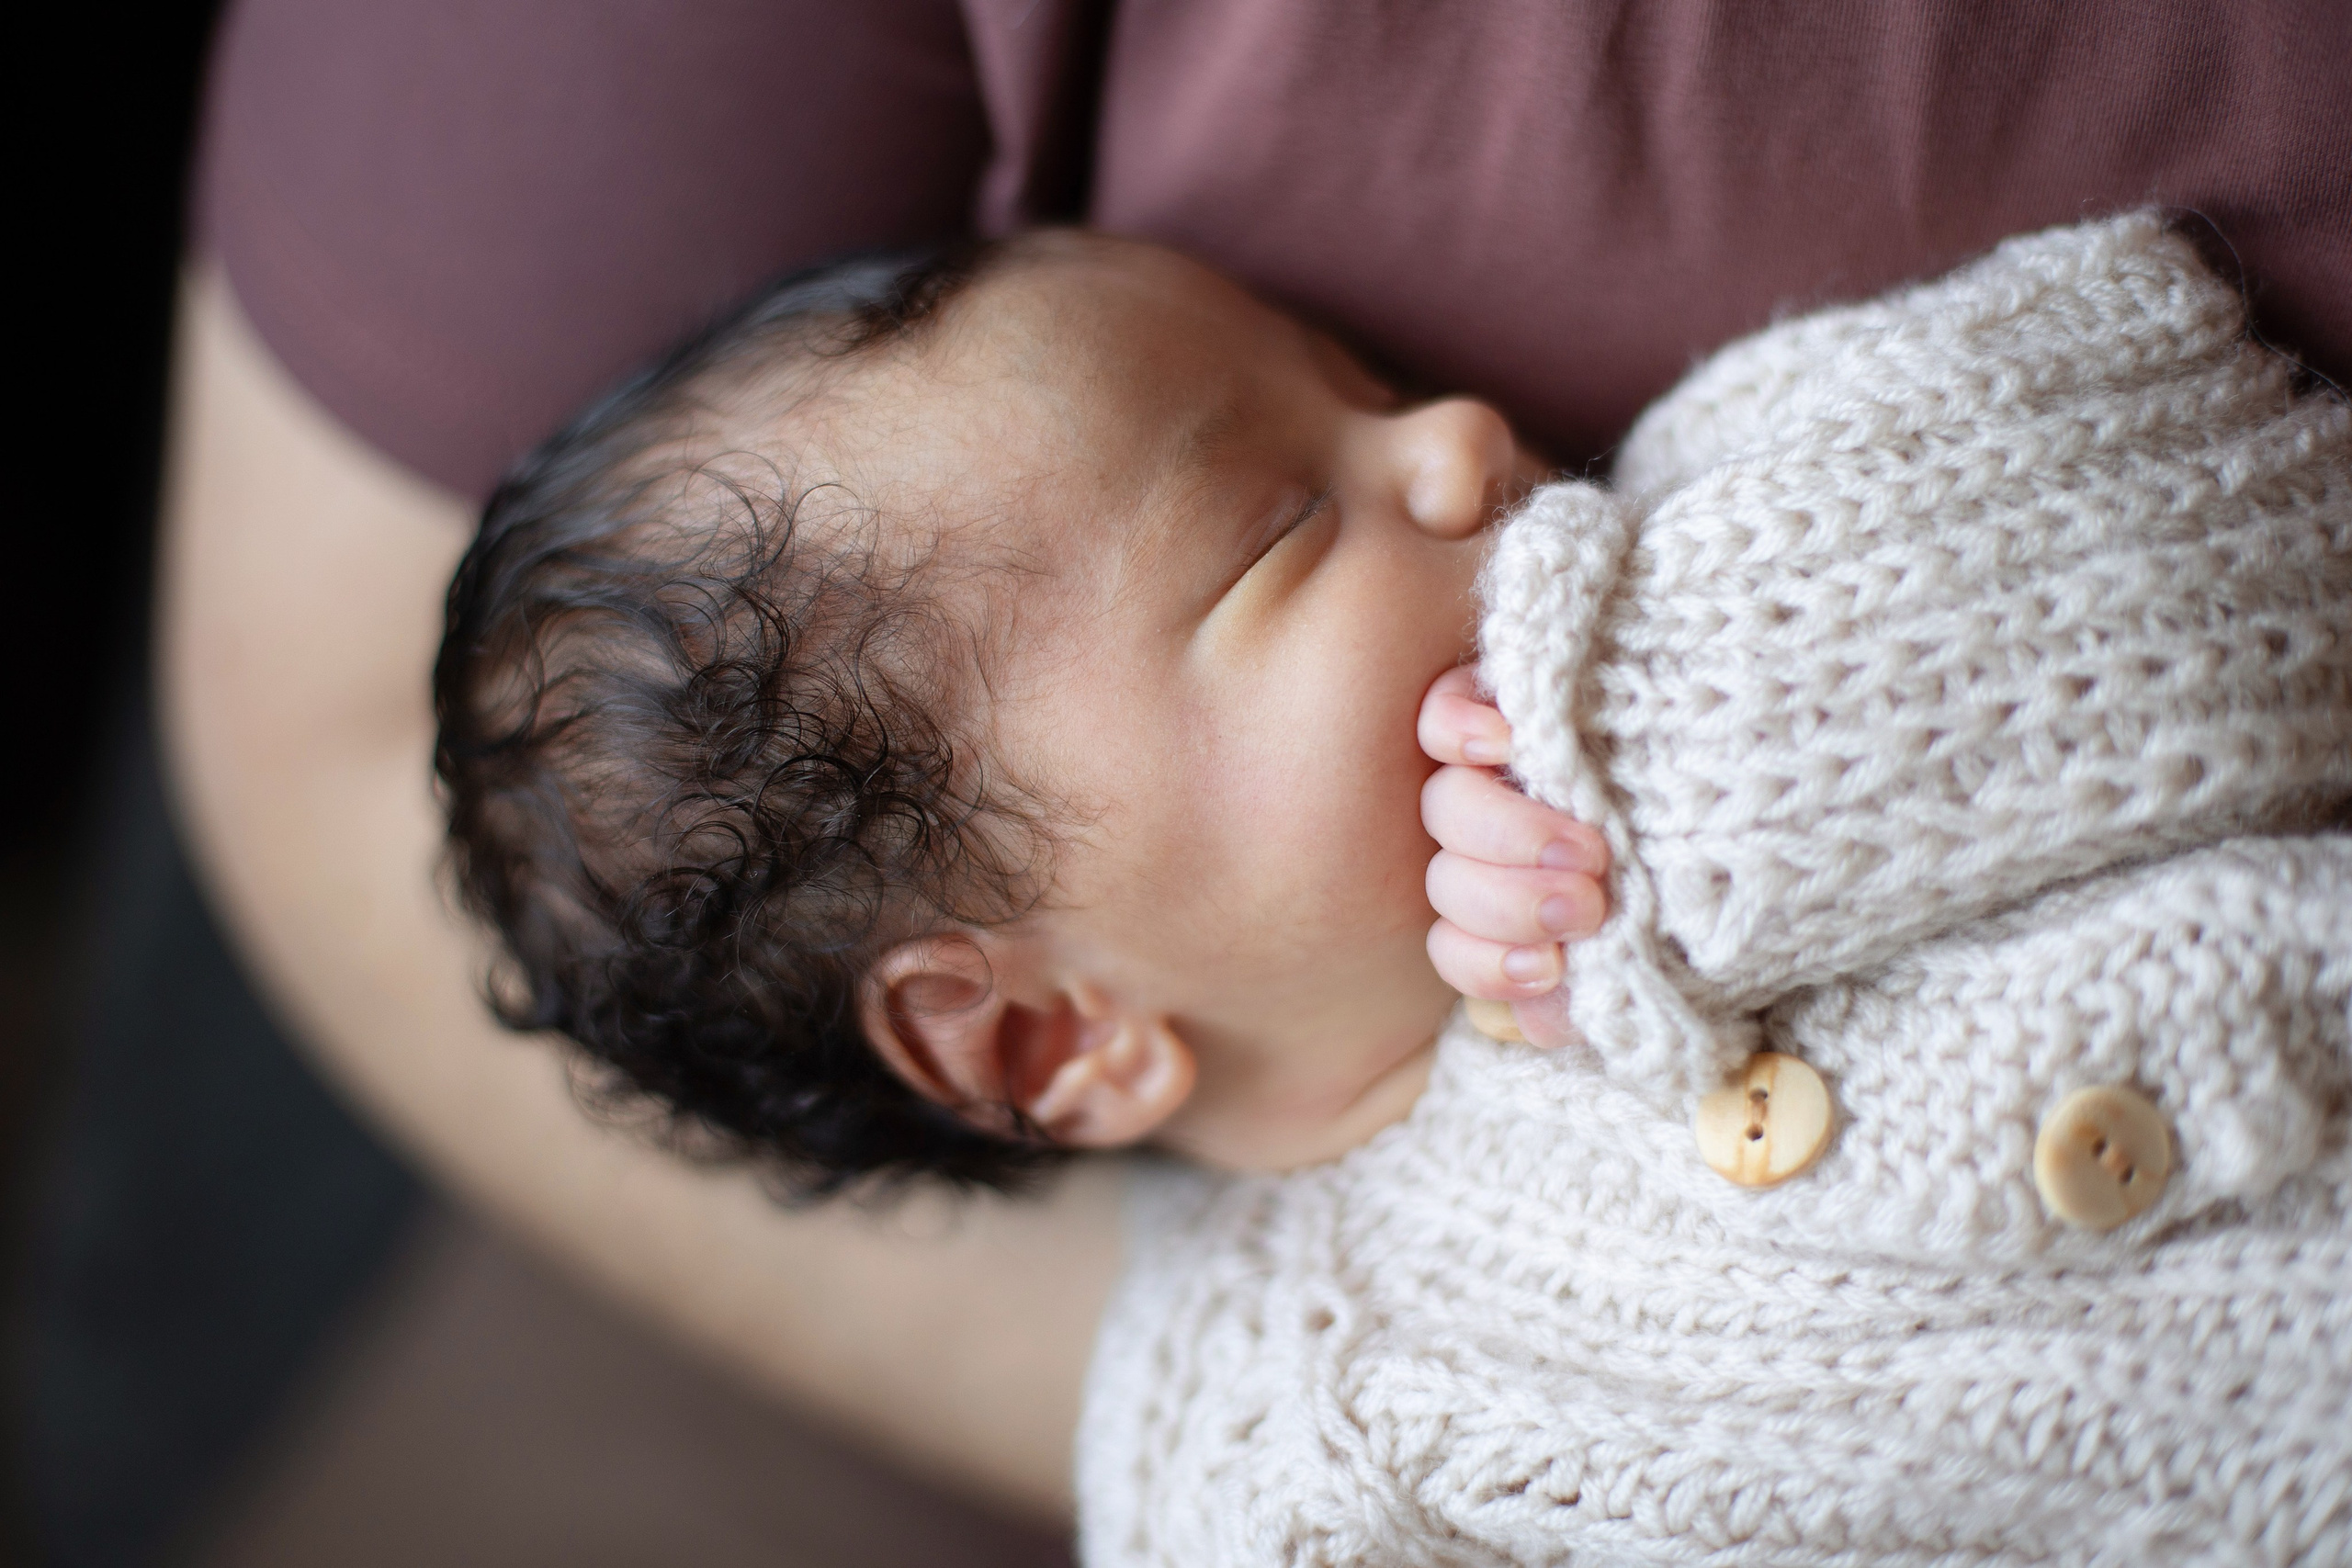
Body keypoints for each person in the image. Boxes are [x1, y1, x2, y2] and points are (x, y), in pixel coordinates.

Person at [178, 0, 2352, 1521]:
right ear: (1046, 1032)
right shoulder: (1255, 1448)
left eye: (1360, 381)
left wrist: (1673, 741)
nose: (1458, 439)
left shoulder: (1685, 585)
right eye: (1278, 530)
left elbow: (2176, 451)